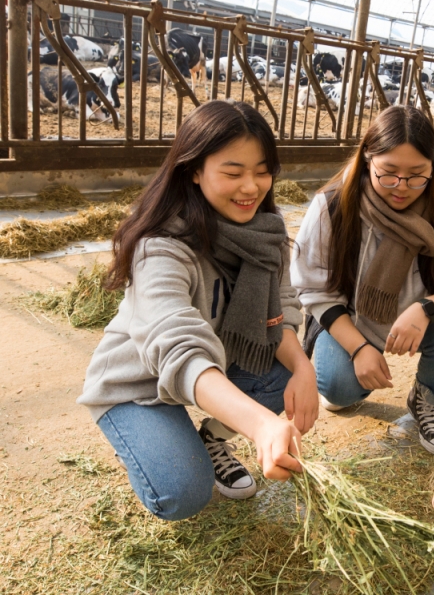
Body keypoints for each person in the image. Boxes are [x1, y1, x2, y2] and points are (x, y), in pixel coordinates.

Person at [78, 100, 318, 521]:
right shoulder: (161, 246)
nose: (251, 187)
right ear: (193, 170)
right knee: (183, 492)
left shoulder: (267, 236)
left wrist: (303, 368)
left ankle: (210, 438)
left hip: (215, 365)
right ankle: (149, 442)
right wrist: (260, 425)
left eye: (263, 171)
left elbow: (281, 310)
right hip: (139, 385)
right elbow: (180, 349)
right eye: (233, 172)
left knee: (280, 366)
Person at [291, 105, 434, 456]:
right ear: (369, 158)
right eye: (389, 173)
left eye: (417, 175)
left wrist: (426, 309)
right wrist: (360, 348)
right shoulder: (332, 206)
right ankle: (349, 371)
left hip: (421, 322)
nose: (402, 187)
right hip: (351, 321)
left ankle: (426, 399)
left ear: (433, 166)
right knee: (338, 389)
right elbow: (313, 290)